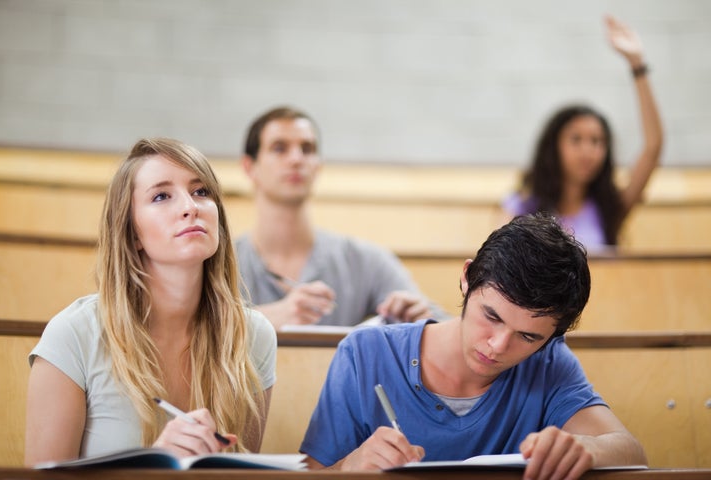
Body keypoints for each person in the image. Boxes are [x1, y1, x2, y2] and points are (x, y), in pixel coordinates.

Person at [300, 213, 647, 479]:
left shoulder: (549, 363)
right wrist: (348, 466)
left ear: (552, 337)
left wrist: (586, 448)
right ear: (467, 278)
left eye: (528, 337)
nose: (497, 346)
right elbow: (314, 473)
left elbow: (631, 450)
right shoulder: (366, 353)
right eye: (491, 316)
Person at [25, 138, 277, 466]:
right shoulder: (73, 335)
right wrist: (154, 464)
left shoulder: (254, 336)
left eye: (201, 191)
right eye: (161, 196)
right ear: (133, 234)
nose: (190, 207)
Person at [235, 106, 447, 330]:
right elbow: (194, 330)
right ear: (249, 167)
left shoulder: (364, 261)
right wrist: (263, 319)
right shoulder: (218, 264)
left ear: (318, 166)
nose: (296, 159)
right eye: (279, 148)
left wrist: (423, 322)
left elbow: (449, 328)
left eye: (307, 149)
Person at [502, 15, 663, 250]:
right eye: (576, 139)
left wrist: (637, 64)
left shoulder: (608, 209)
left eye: (598, 141)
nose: (588, 150)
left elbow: (653, 147)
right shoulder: (521, 207)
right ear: (553, 146)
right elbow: (499, 266)